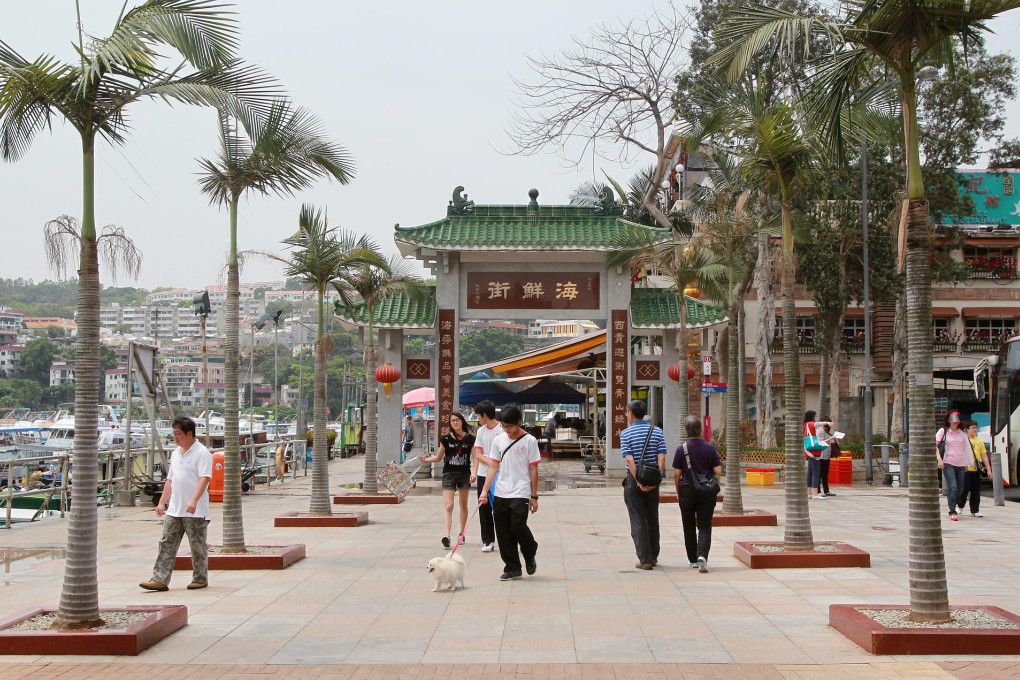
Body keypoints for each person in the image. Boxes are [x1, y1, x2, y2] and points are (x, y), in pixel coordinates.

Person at [140, 416, 213, 591]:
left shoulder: (202, 453)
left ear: (189, 434)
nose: (175, 437)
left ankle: (200, 577)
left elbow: (205, 479)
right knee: (166, 542)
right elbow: (170, 480)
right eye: (174, 433)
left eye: (178, 433)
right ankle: (160, 579)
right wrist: (162, 503)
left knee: (197, 545)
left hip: (195, 510)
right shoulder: (176, 452)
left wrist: (194, 500)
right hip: (174, 508)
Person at [480, 404, 541, 581]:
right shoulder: (499, 440)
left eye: (510, 426)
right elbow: (492, 467)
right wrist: (485, 491)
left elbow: (534, 469)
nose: (507, 430)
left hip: (521, 491)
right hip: (501, 491)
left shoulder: (530, 441)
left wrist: (534, 496)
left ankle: (530, 551)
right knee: (503, 532)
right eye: (504, 426)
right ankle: (512, 567)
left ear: (519, 422)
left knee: (517, 526)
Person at [620, 399, 666, 570]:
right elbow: (661, 457)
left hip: (634, 480)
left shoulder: (625, 434)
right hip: (653, 478)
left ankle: (645, 559)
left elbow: (629, 459)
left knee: (638, 518)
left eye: (626, 413)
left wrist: (639, 480)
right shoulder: (657, 432)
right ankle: (653, 557)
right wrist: (655, 480)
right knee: (652, 518)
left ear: (631, 415)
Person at [672, 415, 722, 572]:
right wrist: (711, 482)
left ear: (686, 430)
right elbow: (718, 471)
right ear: (700, 430)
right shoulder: (710, 448)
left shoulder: (682, 449)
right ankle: (702, 557)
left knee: (688, 526)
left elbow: (676, 474)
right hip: (706, 492)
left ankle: (693, 559)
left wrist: (678, 490)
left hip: (687, 490)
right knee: (705, 526)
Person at [419, 412, 475, 547]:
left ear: (462, 421)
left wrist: (475, 471)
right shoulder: (445, 439)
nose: (455, 423)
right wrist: (426, 460)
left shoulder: (470, 439)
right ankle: (447, 535)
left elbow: (475, 457)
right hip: (449, 474)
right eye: (452, 421)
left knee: (463, 504)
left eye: (457, 420)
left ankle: (461, 533)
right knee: (448, 505)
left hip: (464, 474)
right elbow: (438, 457)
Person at [471, 400, 500, 553]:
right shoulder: (481, 431)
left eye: (478, 416)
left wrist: (495, 465)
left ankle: (505, 538)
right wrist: (491, 463)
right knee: (484, 507)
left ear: (485, 415)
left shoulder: (502, 430)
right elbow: (477, 453)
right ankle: (488, 539)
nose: (478, 419)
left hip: (500, 475)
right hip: (484, 473)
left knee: (500, 508)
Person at [936, 410, 969, 521]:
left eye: (957, 421)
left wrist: (966, 462)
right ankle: (952, 511)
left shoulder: (962, 432)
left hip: (960, 462)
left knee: (960, 488)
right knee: (953, 487)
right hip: (948, 461)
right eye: (953, 421)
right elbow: (935, 445)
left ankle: (953, 502)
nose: (955, 423)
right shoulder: (943, 431)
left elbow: (966, 448)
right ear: (949, 421)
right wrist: (939, 460)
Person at [958, 420, 992, 518]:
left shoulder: (979, 441)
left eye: (976, 428)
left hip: (976, 469)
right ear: (966, 430)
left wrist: (989, 469)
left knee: (976, 491)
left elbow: (984, 456)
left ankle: (975, 510)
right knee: (964, 489)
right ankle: (960, 506)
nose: (975, 429)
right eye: (972, 428)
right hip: (966, 469)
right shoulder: (963, 440)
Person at [803, 410, 833, 499]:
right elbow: (816, 424)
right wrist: (827, 422)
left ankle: (809, 493)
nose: (815, 419)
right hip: (814, 451)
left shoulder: (805, 425)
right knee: (816, 472)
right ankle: (815, 493)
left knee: (810, 473)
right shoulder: (810, 424)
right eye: (815, 417)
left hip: (809, 451)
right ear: (812, 416)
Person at [817, 417, 838, 497]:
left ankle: (826, 490)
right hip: (821, 455)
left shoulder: (827, 432)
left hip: (826, 455)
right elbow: (821, 442)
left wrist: (833, 440)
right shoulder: (820, 431)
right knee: (819, 474)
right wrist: (831, 438)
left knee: (825, 473)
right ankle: (818, 491)